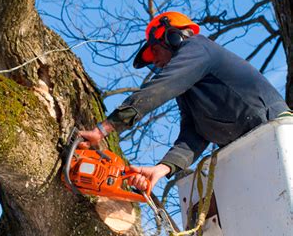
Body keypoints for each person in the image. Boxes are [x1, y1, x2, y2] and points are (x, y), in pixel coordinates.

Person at [79, 11, 289, 191]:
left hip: (273, 131)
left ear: (173, 37)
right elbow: (193, 134)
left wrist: (104, 128)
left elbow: (161, 87)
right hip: (250, 149)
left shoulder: (198, 48)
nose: (157, 62)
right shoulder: (189, 88)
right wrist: (162, 169)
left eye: (155, 52)